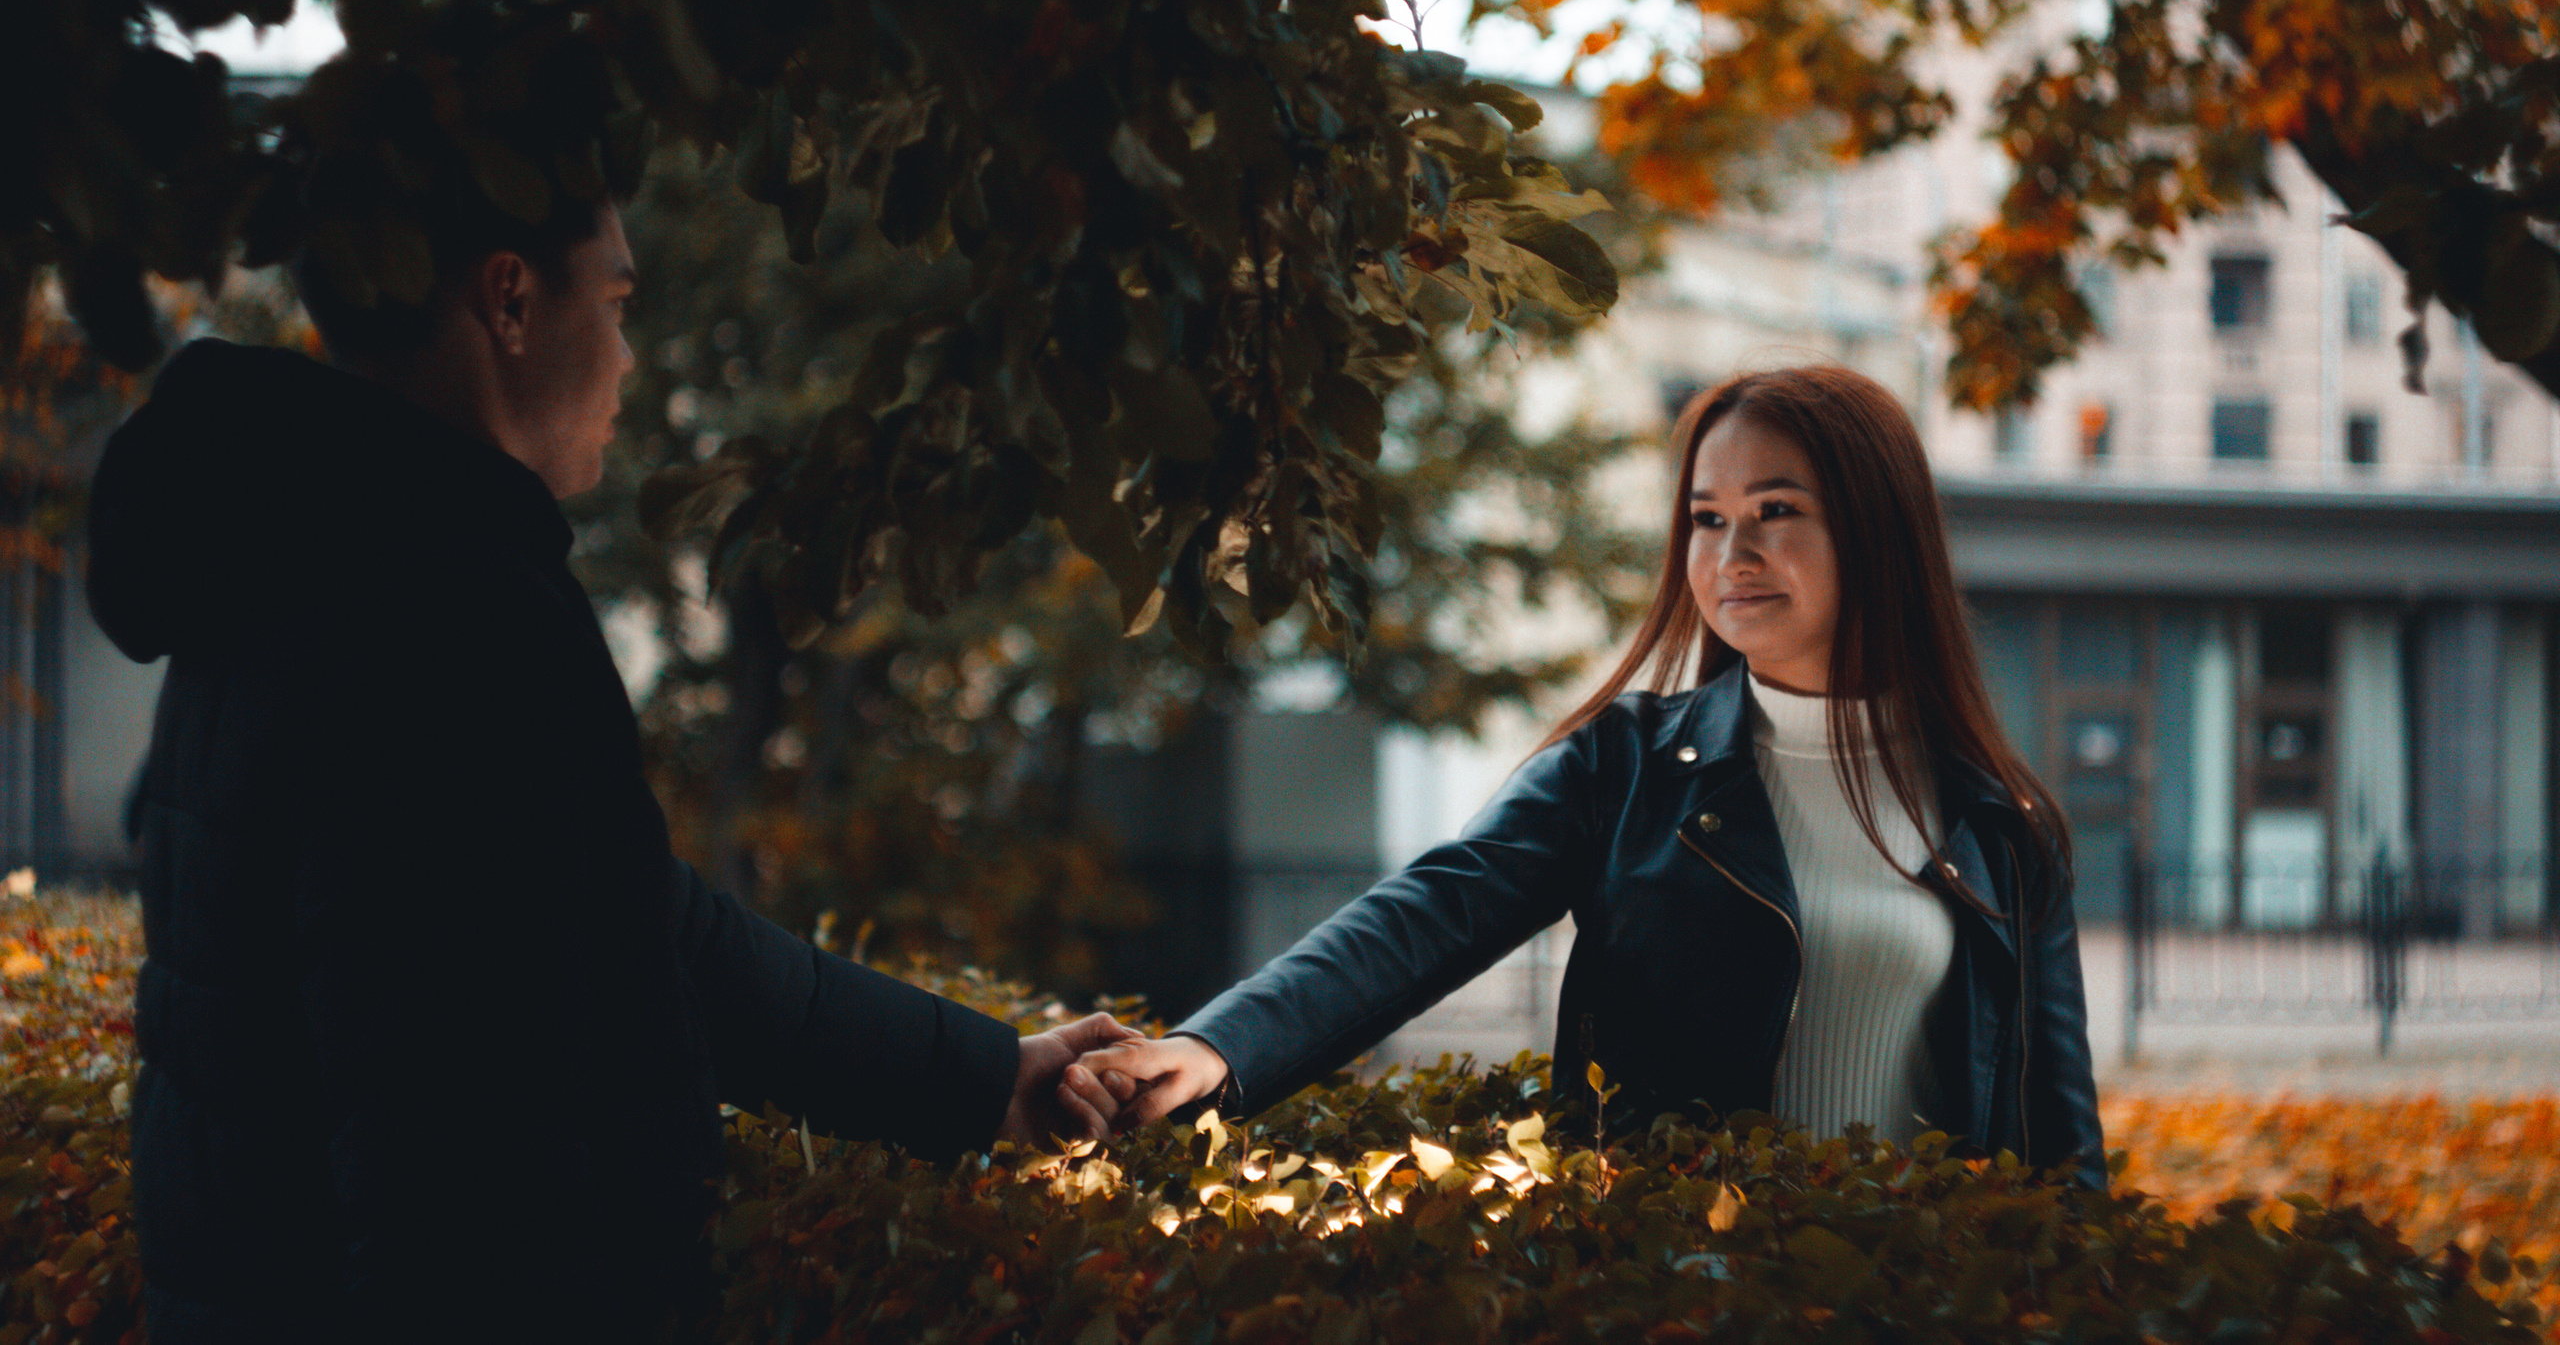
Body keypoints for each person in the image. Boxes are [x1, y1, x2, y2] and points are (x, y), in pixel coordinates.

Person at [88, 125, 1130, 1339]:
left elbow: (638, 925)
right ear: (512, 300)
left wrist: (977, 1076)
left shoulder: (290, 553)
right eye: (620, 301)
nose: (631, 357)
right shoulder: (442, 611)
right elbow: (457, 1175)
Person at [1071, 365, 2105, 1188]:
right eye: (1705, 518)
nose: (1731, 551)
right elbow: (1424, 916)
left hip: (1918, 1303)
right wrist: (1218, 1049)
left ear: (1878, 535)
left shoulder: (1996, 822)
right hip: (1676, 1295)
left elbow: (2059, 1137)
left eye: (1775, 510)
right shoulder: (1626, 768)